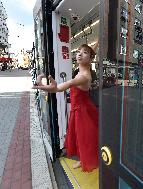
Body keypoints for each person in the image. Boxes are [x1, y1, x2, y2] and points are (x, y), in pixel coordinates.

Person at [32, 43, 99, 172]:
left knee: (84, 138)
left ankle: (86, 161)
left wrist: (43, 85)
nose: (79, 54)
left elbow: (58, 88)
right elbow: (92, 52)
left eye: (84, 52)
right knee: (81, 138)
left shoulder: (82, 76)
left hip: (82, 112)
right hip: (81, 109)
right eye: (79, 51)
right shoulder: (84, 70)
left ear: (91, 59)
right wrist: (95, 44)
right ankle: (82, 160)